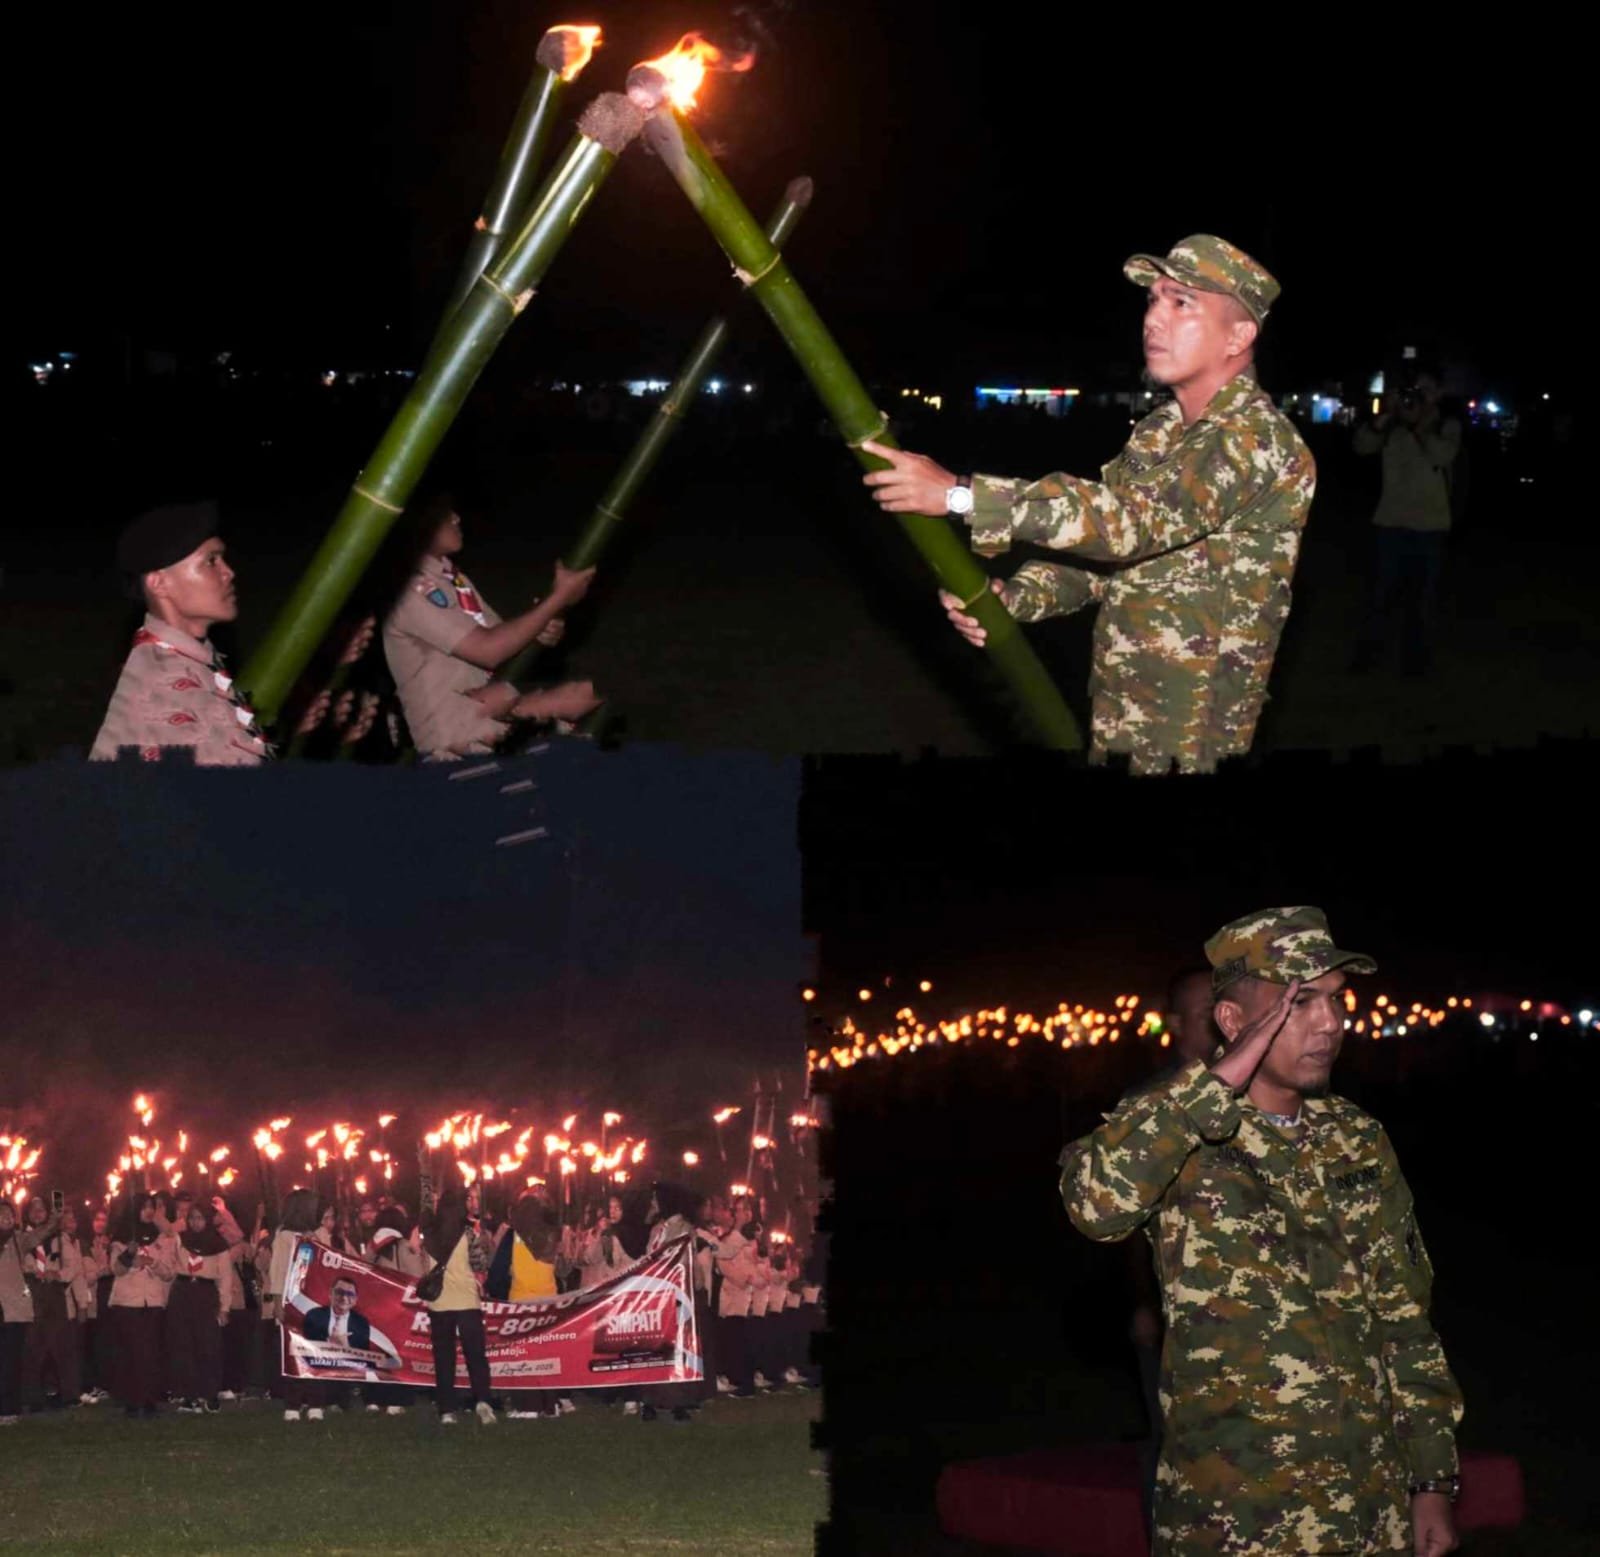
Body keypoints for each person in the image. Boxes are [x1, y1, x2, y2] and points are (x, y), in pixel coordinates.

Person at [1060, 907, 1462, 1556]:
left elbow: (1405, 1319)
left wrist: (1431, 1479)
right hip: (1237, 1520)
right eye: (1300, 1002)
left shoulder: (1357, 1138)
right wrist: (1219, 1080)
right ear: (1232, 1020)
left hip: (1369, 1509)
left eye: (1336, 999)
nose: (1330, 1022)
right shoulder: (1180, 1128)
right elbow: (1094, 1205)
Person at [863, 236, 1315, 775]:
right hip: (1121, 710)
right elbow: (1106, 564)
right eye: (1153, 300)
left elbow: (1128, 524)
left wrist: (959, 494)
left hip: (1193, 734)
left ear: (1239, 336)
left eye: (1182, 303)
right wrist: (1019, 597)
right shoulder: (1161, 433)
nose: (1154, 319)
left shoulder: (1254, 439)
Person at [381, 493, 602, 760]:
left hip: (491, 715)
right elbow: (488, 650)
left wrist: (538, 630)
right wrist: (557, 599)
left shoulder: (451, 577)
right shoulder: (408, 591)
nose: (456, 518)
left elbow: (501, 640)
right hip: (453, 742)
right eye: (444, 514)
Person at [1351, 364, 1463, 675]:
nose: (1419, 396)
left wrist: (1419, 425)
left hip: (1431, 526)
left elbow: (1442, 455)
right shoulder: (1393, 425)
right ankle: (1368, 658)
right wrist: (1385, 416)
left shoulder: (1447, 425)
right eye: (1415, 390)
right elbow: (1361, 446)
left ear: (1438, 394)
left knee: (1422, 601)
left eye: (1427, 390)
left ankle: (1415, 662)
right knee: (1380, 596)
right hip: (1390, 522)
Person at [419, 1185, 495, 1424]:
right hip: (467, 1300)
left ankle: (447, 1409)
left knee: (444, 1357)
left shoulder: (429, 1233)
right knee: (475, 1355)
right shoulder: (468, 1233)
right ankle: (482, 1400)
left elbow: (418, 1255)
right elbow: (480, 1263)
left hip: (440, 1302)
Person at [106, 1193, 179, 1417]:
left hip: (153, 1302)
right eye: (144, 1206)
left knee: (150, 1352)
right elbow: (116, 1269)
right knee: (132, 1352)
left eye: (151, 1207)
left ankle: (149, 1399)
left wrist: (152, 1262)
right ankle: (131, 1399)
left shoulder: (161, 1239)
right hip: (128, 1303)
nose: (148, 1211)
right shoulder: (121, 1239)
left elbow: (169, 1273)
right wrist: (129, 1256)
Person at [166, 1201, 237, 1413]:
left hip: (206, 1294)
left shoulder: (218, 1244)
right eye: (192, 1218)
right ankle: (189, 1395)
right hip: (183, 1292)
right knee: (184, 1345)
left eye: (200, 1218)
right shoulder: (180, 1239)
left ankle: (210, 1394)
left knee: (209, 1346)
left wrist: (224, 1307)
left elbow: (225, 1277)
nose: (196, 1223)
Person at [1, 1199, 63, 1425]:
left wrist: (54, 1219)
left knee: (12, 1359)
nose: (7, 1218)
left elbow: (38, 1235)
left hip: (14, 1308)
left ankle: (9, 1408)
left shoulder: (18, 1240)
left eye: (10, 1214)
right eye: (2, 1214)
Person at [19, 1197, 83, 1411]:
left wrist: (58, 1274)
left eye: (42, 1209)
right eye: (33, 1209)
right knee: (33, 1345)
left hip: (54, 1291)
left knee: (62, 1344)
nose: (38, 1213)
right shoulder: (22, 1237)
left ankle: (70, 1394)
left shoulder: (59, 1239)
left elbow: (74, 1266)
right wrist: (32, 1272)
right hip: (31, 1290)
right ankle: (32, 1397)